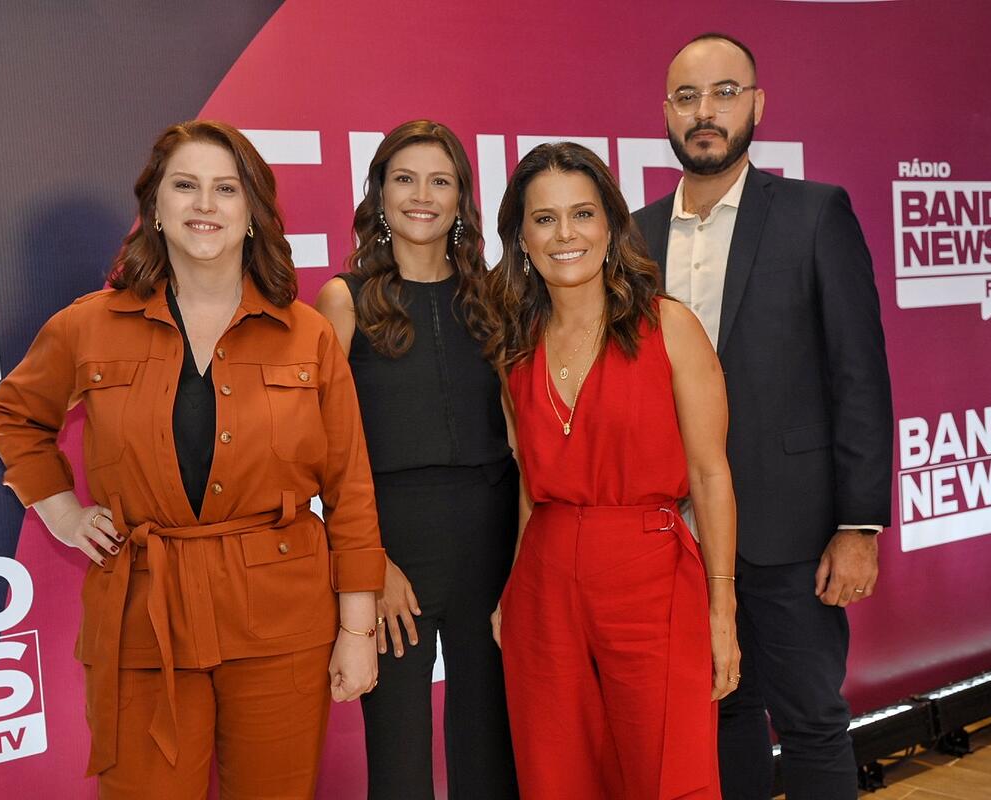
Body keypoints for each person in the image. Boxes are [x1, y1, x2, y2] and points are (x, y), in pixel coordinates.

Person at [0, 120, 385, 800]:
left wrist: (356, 628)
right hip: (144, 618)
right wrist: (60, 511)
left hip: (282, 621)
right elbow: (15, 414)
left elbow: (350, 488)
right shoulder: (88, 325)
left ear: (253, 212)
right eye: (186, 186)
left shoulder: (308, 337)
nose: (205, 205)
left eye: (226, 189)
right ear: (156, 209)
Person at [632, 33, 894, 800]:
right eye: (687, 97)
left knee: (811, 722)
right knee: (721, 713)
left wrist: (859, 526)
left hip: (792, 531)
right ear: (667, 114)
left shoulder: (815, 215)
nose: (704, 112)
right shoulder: (634, 238)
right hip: (676, 532)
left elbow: (860, 377)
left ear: (757, 104)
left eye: (723, 92)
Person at [486, 141, 740, 800]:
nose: (565, 234)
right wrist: (514, 586)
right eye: (543, 219)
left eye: (582, 214)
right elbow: (526, 482)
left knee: (668, 771)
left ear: (610, 226)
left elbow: (711, 475)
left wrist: (722, 610)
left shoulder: (669, 327)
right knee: (555, 775)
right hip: (543, 588)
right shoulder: (514, 349)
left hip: (651, 575)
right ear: (521, 236)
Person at [316, 120, 519, 800]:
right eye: (404, 178)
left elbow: (524, 442)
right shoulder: (343, 301)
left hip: (490, 551)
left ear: (463, 197)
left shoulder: (496, 300)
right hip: (389, 552)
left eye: (441, 180)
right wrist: (369, 564)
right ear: (378, 194)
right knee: (399, 767)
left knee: (492, 756)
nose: (422, 195)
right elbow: (319, 453)